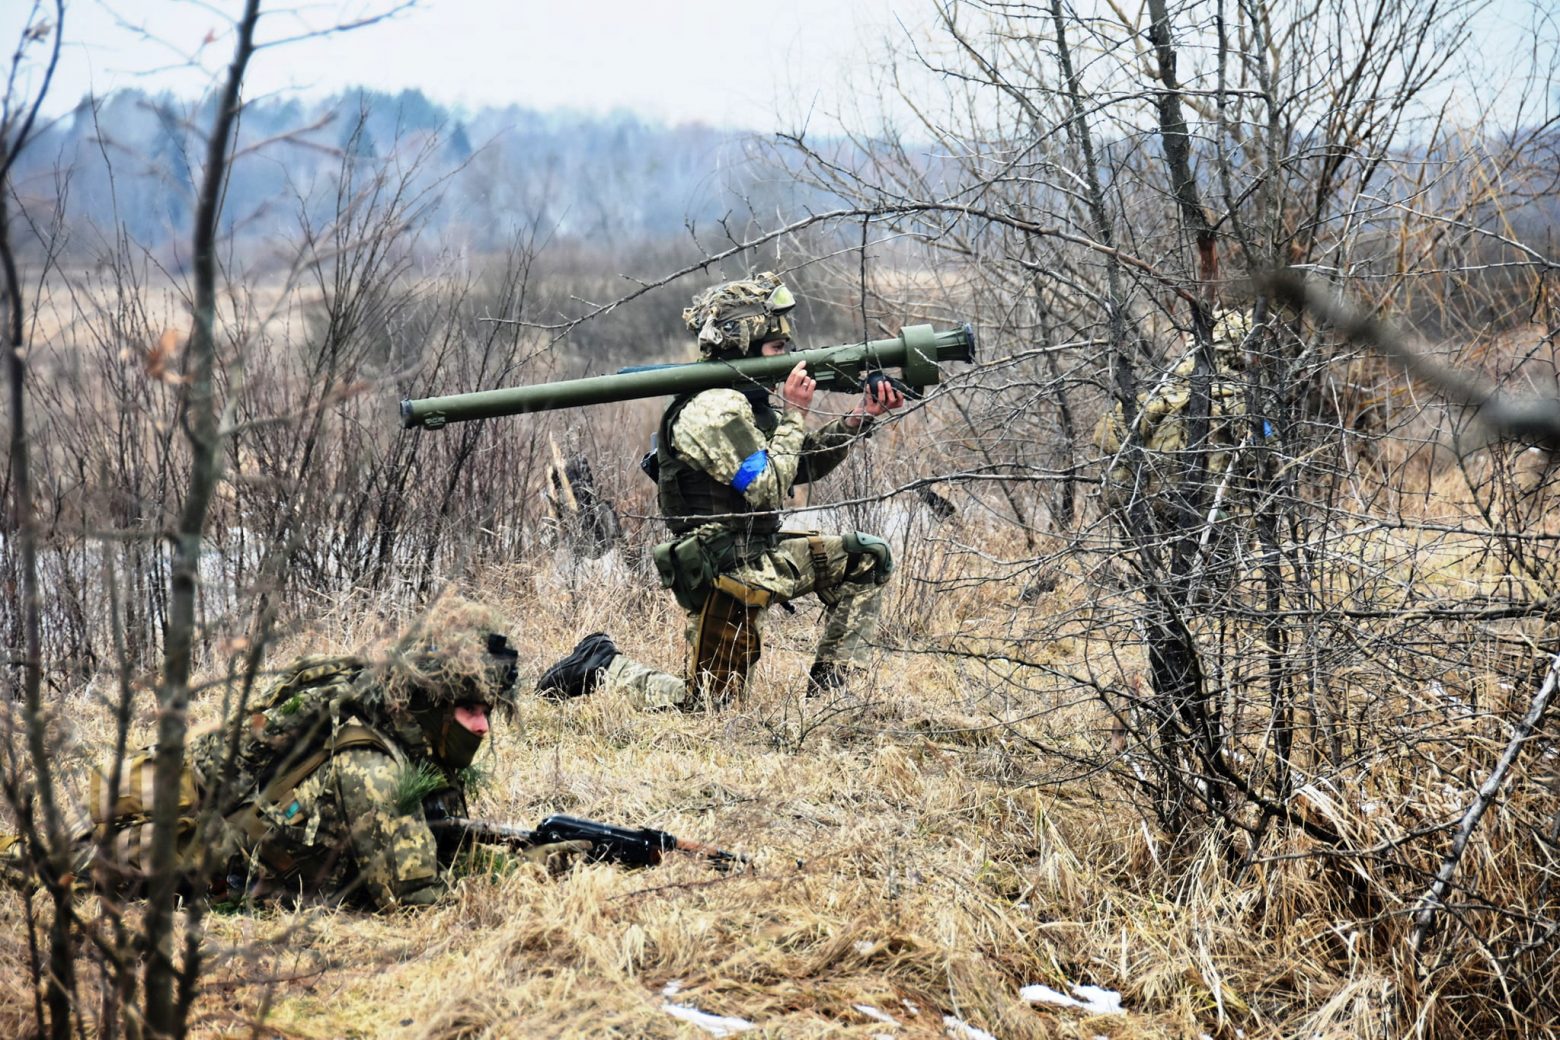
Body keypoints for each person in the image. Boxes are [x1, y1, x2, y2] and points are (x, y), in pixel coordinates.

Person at [10, 596, 586, 909]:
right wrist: (539, 864)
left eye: (489, 711)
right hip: (199, 862)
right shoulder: (374, 766)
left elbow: (434, 835)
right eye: (469, 710)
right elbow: (418, 899)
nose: (482, 726)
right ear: (431, 701)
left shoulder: (412, 741)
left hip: (237, 834)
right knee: (48, 866)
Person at [537, 272, 906, 709]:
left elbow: (798, 464)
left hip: (762, 555)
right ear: (742, 347)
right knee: (710, 708)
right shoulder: (711, 409)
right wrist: (794, 414)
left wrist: (859, 417)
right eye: (776, 349)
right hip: (724, 573)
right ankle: (604, 666)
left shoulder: (744, 398)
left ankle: (830, 701)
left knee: (867, 557)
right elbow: (768, 486)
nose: (787, 359)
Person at [1094, 308, 1254, 526]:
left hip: (1158, 504)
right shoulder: (1236, 398)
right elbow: (1264, 461)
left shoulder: (1163, 391)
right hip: (1213, 513)